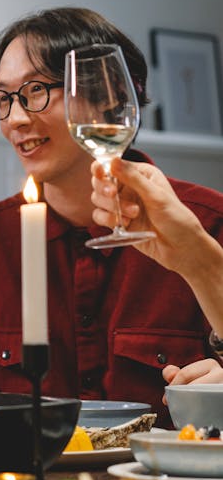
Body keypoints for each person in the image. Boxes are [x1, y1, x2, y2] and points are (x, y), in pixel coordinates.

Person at [0, 7, 223, 427]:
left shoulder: (205, 226)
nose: (14, 119)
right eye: (3, 99)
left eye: (35, 91)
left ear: (108, 97)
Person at [90, 158, 223, 369]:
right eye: (14, 120)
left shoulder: (212, 219)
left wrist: (198, 258)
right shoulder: (18, 234)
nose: (18, 122)